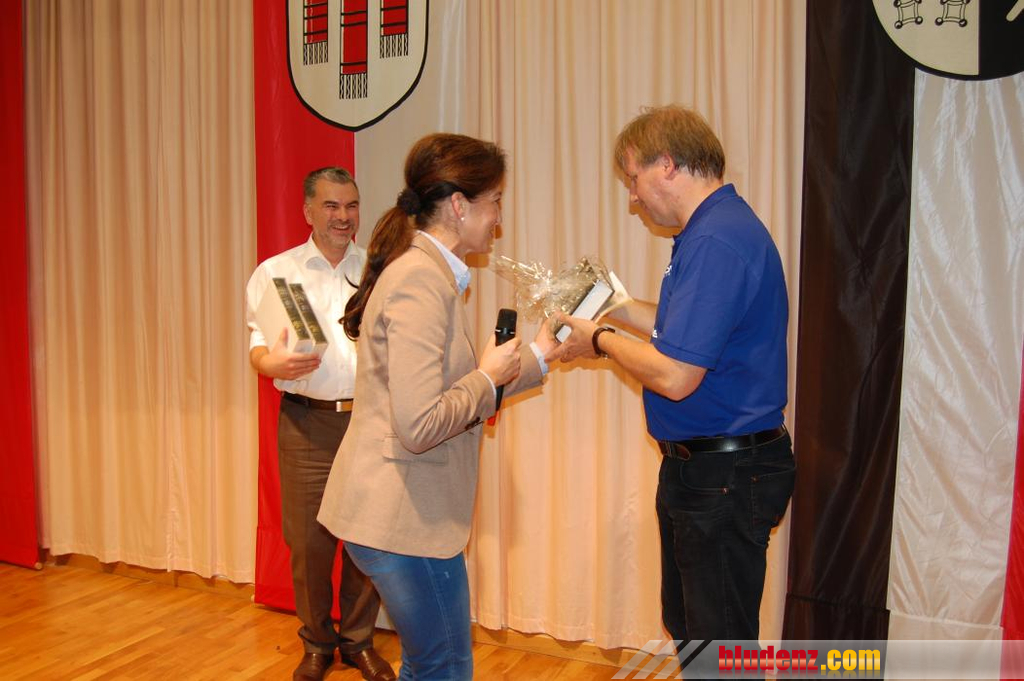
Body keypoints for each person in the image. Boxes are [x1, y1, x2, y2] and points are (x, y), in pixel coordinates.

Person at [317, 133, 563, 680]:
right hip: (402, 518)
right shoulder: (419, 281)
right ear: (458, 205)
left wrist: (540, 357)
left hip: (405, 514)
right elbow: (420, 423)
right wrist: (486, 376)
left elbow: (455, 394)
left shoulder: (429, 274)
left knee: (431, 666)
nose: (498, 218)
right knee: (443, 669)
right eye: (494, 201)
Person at [557, 105, 796, 644]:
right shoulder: (713, 229)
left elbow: (676, 375)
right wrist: (611, 304)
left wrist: (599, 339)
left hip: (723, 474)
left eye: (633, 178)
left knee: (718, 645)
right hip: (709, 470)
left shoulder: (716, 239)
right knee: (694, 630)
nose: (633, 197)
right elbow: (679, 333)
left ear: (666, 165)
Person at [245, 167, 395, 681]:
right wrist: (270, 364)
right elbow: (257, 346)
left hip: (369, 422)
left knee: (366, 538)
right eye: (331, 206)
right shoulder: (276, 273)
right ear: (308, 211)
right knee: (308, 544)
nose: (343, 217)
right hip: (305, 424)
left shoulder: (379, 269)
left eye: (351, 205)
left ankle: (358, 641)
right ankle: (316, 643)